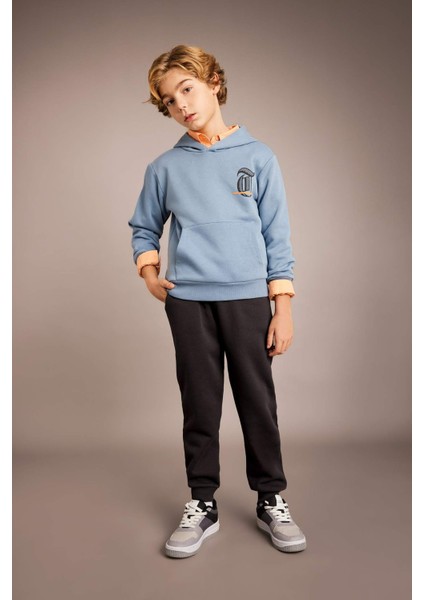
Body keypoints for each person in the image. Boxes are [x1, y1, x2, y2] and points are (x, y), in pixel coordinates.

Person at [128, 44, 307, 558]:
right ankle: (202, 503)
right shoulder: (164, 167)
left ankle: (271, 498)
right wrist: (150, 274)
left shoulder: (259, 157)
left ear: (213, 82)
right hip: (188, 304)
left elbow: (277, 236)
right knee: (200, 404)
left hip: (248, 300)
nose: (180, 104)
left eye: (186, 89)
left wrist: (283, 308)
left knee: (257, 401)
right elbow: (143, 227)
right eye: (169, 100)